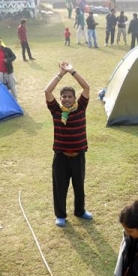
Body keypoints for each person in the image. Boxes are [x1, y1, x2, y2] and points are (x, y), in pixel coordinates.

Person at [44, 61, 93, 227]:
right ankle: (60, 215)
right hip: (61, 157)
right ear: (60, 99)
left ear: (74, 98)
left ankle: (80, 211)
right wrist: (60, 74)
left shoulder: (80, 108)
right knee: (60, 187)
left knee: (79, 186)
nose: (66, 99)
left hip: (78, 156)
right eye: (63, 97)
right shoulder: (56, 111)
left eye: (69, 96)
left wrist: (72, 71)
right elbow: (47, 91)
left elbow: (86, 87)